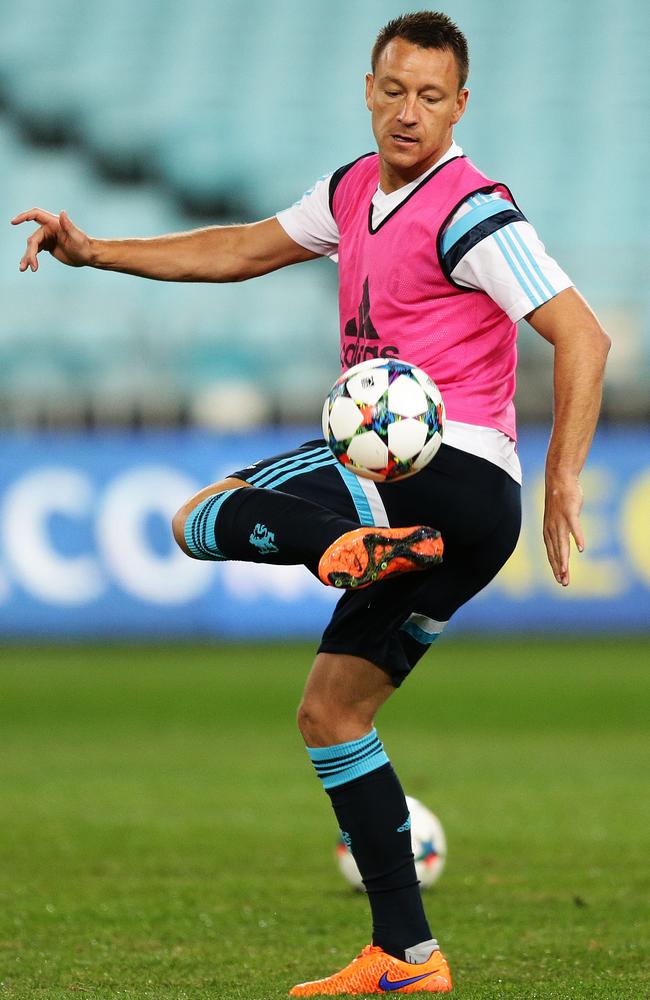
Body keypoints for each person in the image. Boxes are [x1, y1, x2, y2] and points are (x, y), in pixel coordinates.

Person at [12, 10, 610, 995]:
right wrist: (95, 251)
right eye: (393, 89)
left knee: (197, 516)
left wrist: (562, 472)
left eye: (429, 96)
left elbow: (579, 336)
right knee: (332, 714)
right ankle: (405, 958)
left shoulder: (473, 210)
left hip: (435, 471)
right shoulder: (347, 192)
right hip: (456, 521)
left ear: (460, 107)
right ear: (367, 88)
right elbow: (240, 248)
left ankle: (333, 544)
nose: (407, 111)